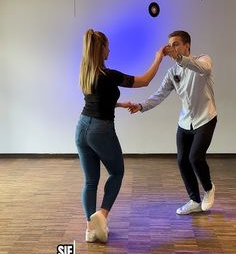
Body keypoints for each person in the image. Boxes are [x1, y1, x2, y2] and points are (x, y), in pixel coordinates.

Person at [75, 29, 165, 242]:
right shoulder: (109, 75)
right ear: (101, 49)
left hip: (81, 128)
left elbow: (96, 100)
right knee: (117, 172)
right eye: (107, 46)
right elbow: (144, 81)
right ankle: (102, 216)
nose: (110, 49)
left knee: (90, 181)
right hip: (100, 130)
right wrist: (158, 58)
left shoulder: (87, 73)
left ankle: (91, 230)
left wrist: (119, 104)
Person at [129, 30, 217, 215]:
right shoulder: (172, 72)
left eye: (176, 44)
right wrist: (141, 105)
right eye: (170, 44)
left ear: (187, 45)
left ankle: (209, 189)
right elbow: (160, 94)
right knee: (182, 160)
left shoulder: (203, 60)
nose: (172, 47)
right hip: (185, 122)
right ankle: (194, 200)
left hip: (205, 119)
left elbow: (203, 69)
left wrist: (180, 58)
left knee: (195, 158)